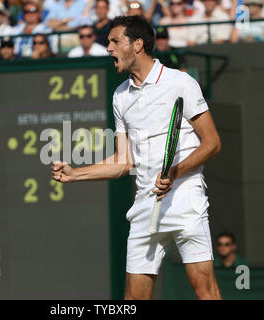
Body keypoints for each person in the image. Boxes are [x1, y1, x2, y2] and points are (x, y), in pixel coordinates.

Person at [52, 15, 222, 300]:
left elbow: (212, 142)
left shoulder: (181, 83)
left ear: (138, 45)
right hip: (145, 203)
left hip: (185, 199)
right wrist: (75, 173)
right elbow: (123, 161)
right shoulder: (120, 96)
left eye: (115, 42)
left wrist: (175, 172)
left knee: (205, 291)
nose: (108, 49)